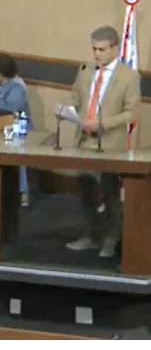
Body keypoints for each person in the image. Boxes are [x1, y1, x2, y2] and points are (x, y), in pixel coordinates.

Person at [61, 26, 139, 259]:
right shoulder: (85, 70)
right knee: (87, 192)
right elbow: (75, 99)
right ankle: (90, 235)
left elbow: (131, 113)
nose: (96, 54)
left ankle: (110, 239)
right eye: (94, 49)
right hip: (84, 141)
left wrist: (103, 123)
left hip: (110, 144)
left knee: (110, 194)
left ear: (115, 48)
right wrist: (68, 112)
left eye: (102, 49)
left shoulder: (129, 76)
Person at [0, 53, 32, 206]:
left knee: (17, 147)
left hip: (19, 127)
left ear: (3, 74)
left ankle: (23, 192)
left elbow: (8, 109)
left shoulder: (17, 87)